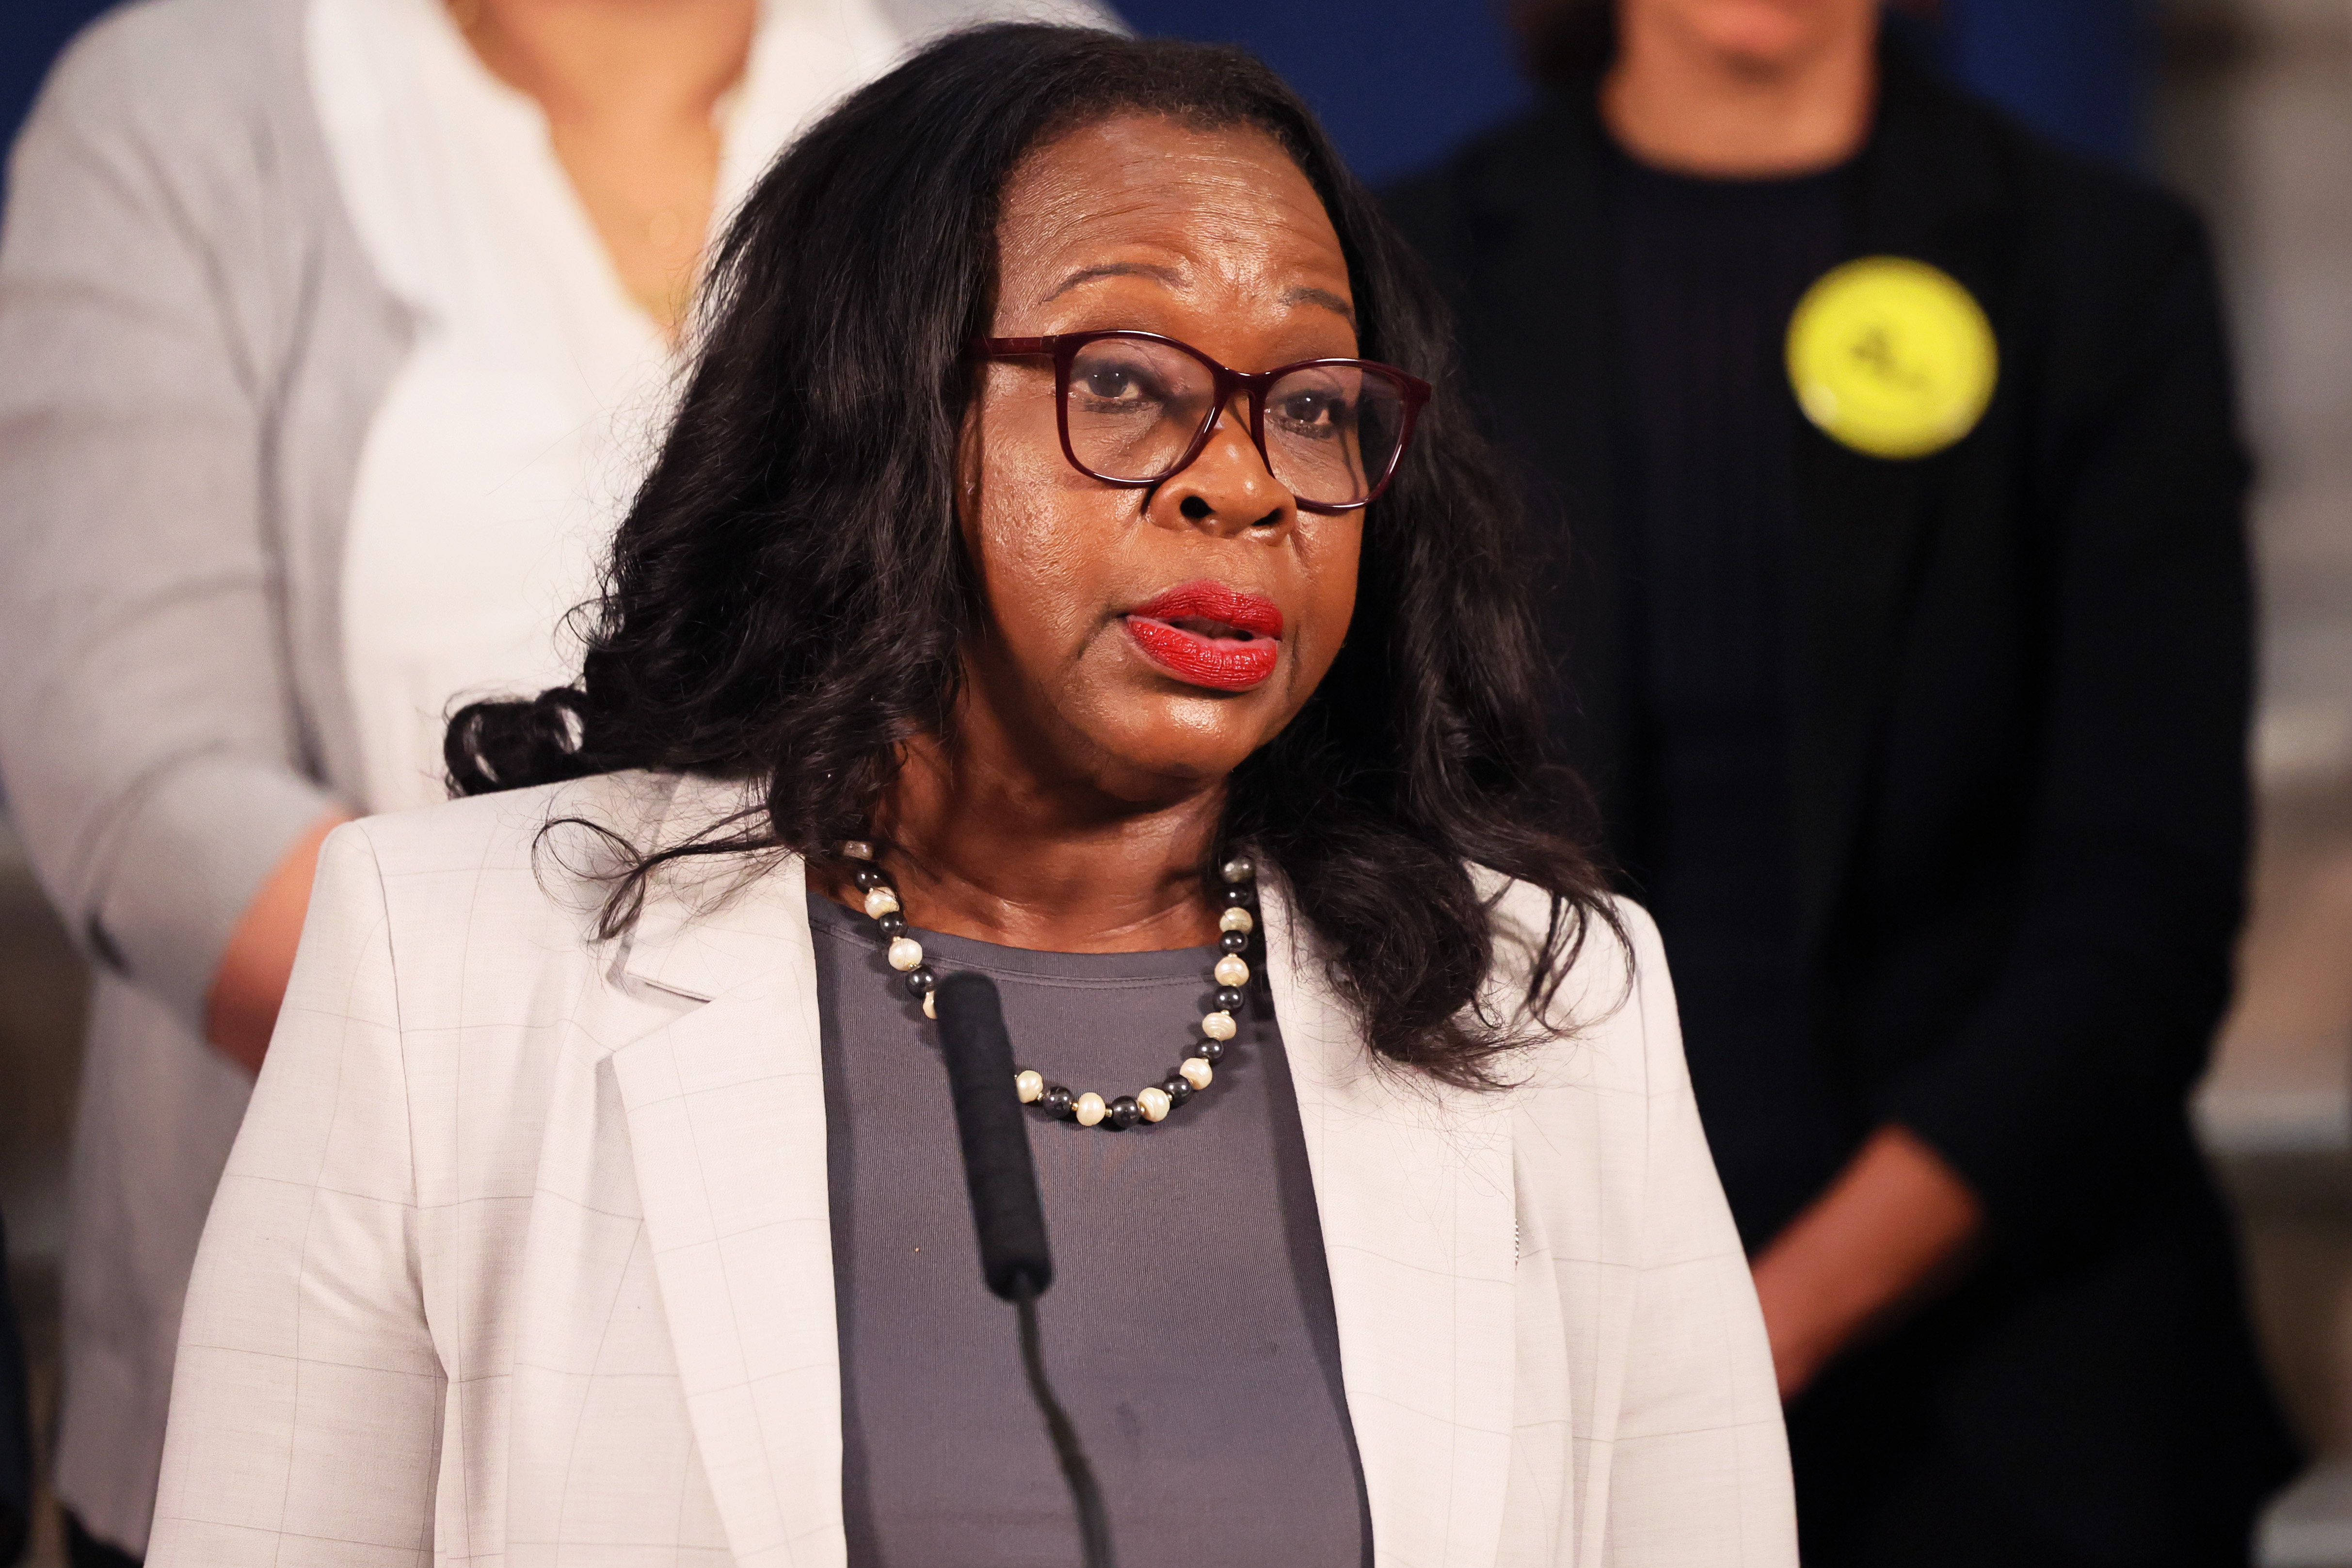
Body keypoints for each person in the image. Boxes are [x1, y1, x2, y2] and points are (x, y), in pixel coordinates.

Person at [142, 24, 1795, 1566]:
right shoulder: (447, 969)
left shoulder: (1556, 1005)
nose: (1240, 482)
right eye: (1127, 382)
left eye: (1307, 407)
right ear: (878, 409)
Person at [0, 0, 1104, 1558]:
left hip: (939, 1294)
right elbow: (142, 776)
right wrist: (614, 1100)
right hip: (373, 1306)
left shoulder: (1022, 55)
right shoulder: (184, 102)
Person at [1383, 0, 2298, 1563]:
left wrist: (1753, 1334)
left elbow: (2136, 905)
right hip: (1539, 1347)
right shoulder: (1403, 273)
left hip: (2023, 1378)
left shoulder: (2092, 265)